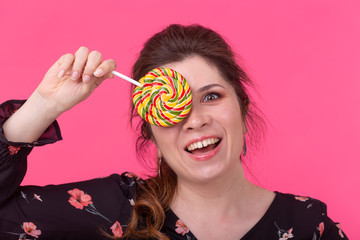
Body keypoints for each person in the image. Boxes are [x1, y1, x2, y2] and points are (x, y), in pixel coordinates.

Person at [0, 24, 348, 240]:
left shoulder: (306, 224)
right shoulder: (113, 211)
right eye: (173, 107)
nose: (194, 121)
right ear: (151, 133)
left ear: (243, 110)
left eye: (211, 96)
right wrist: (44, 106)